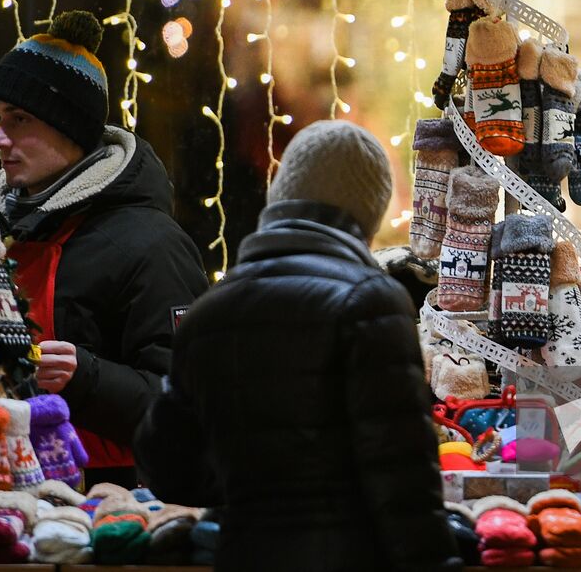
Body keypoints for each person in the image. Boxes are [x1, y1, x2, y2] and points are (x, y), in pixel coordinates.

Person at [134, 120, 459, 572]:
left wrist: (250, 487)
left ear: (281, 197)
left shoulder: (210, 312)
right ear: (366, 216)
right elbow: (403, 480)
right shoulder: (371, 300)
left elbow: (168, 468)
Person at [0, 10, 209, 488]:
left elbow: (194, 406)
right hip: (2, 490)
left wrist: (84, 377)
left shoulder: (154, 246)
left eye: (19, 119)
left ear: (73, 129)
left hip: (114, 512)